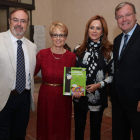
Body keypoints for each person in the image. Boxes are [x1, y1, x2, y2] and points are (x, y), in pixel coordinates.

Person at [73, 15, 113, 140]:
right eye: (92, 28)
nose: (94, 31)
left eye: (98, 28)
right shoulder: (78, 49)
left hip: (98, 97)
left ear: (103, 32)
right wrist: (75, 90)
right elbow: (74, 73)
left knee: (95, 131)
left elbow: (112, 76)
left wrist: (99, 85)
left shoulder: (108, 51)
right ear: (87, 30)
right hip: (80, 96)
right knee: (78, 128)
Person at [34, 21, 76, 140]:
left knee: (62, 125)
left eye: (61, 35)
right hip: (45, 97)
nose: (58, 38)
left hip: (64, 97)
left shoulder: (71, 57)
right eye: (55, 35)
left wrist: (77, 90)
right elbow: (31, 73)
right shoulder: (42, 54)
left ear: (66, 37)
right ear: (51, 37)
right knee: (45, 124)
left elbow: (73, 80)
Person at [0, 8, 36, 140]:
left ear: (27, 24)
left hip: (24, 99)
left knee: (19, 135)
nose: (19, 24)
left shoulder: (32, 47)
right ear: (9, 21)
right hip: (4, 99)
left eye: (23, 21)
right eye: (15, 20)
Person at [112, 2, 140, 140]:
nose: (124, 19)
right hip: (118, 101)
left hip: (137, 102)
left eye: (127, 15)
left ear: (135, 15)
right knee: (119, 135)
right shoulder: (117, 40)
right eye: (119, 16)